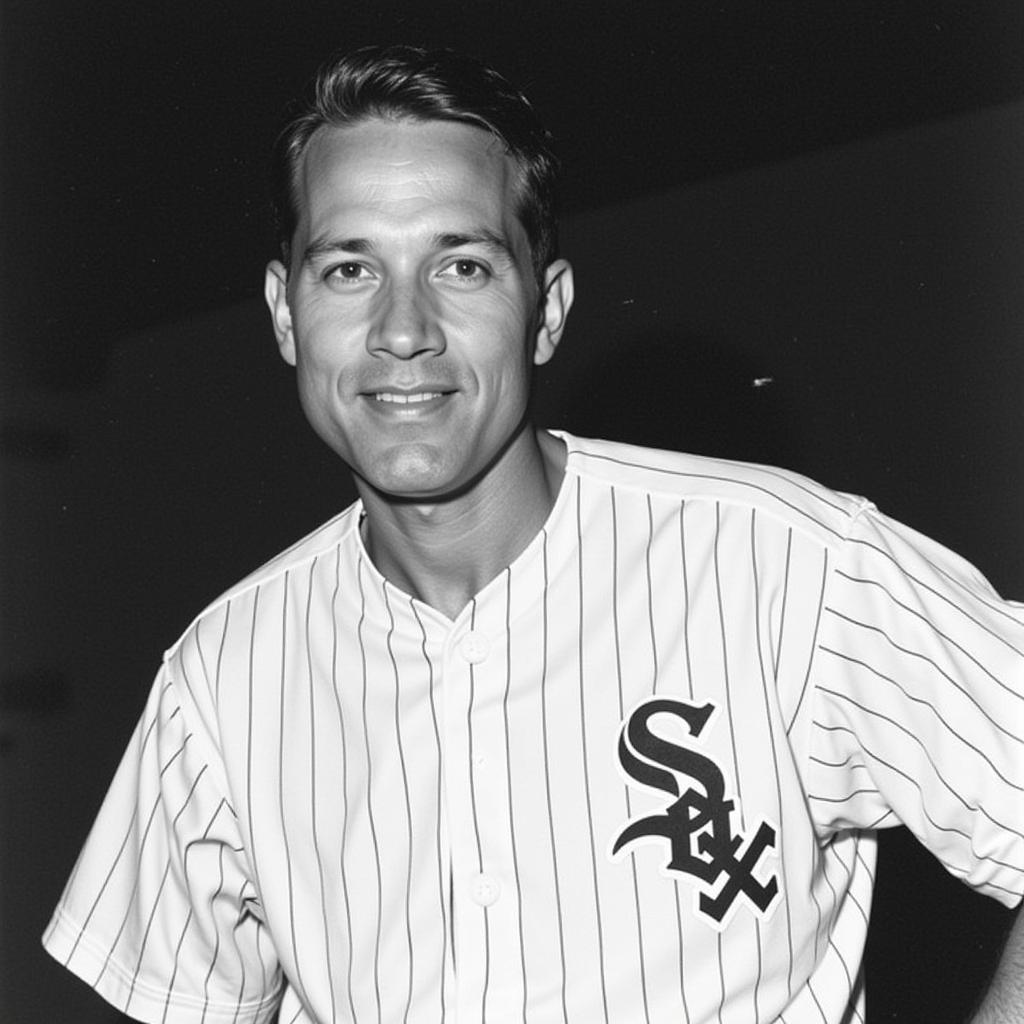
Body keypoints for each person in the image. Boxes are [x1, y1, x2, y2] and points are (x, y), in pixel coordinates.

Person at [43, 44, 1023, 1024]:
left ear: (546, 310)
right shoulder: (222, 676)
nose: (402, 329)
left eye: (460, 265)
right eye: (348, 269)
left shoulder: (792, 565)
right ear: (285, 314)